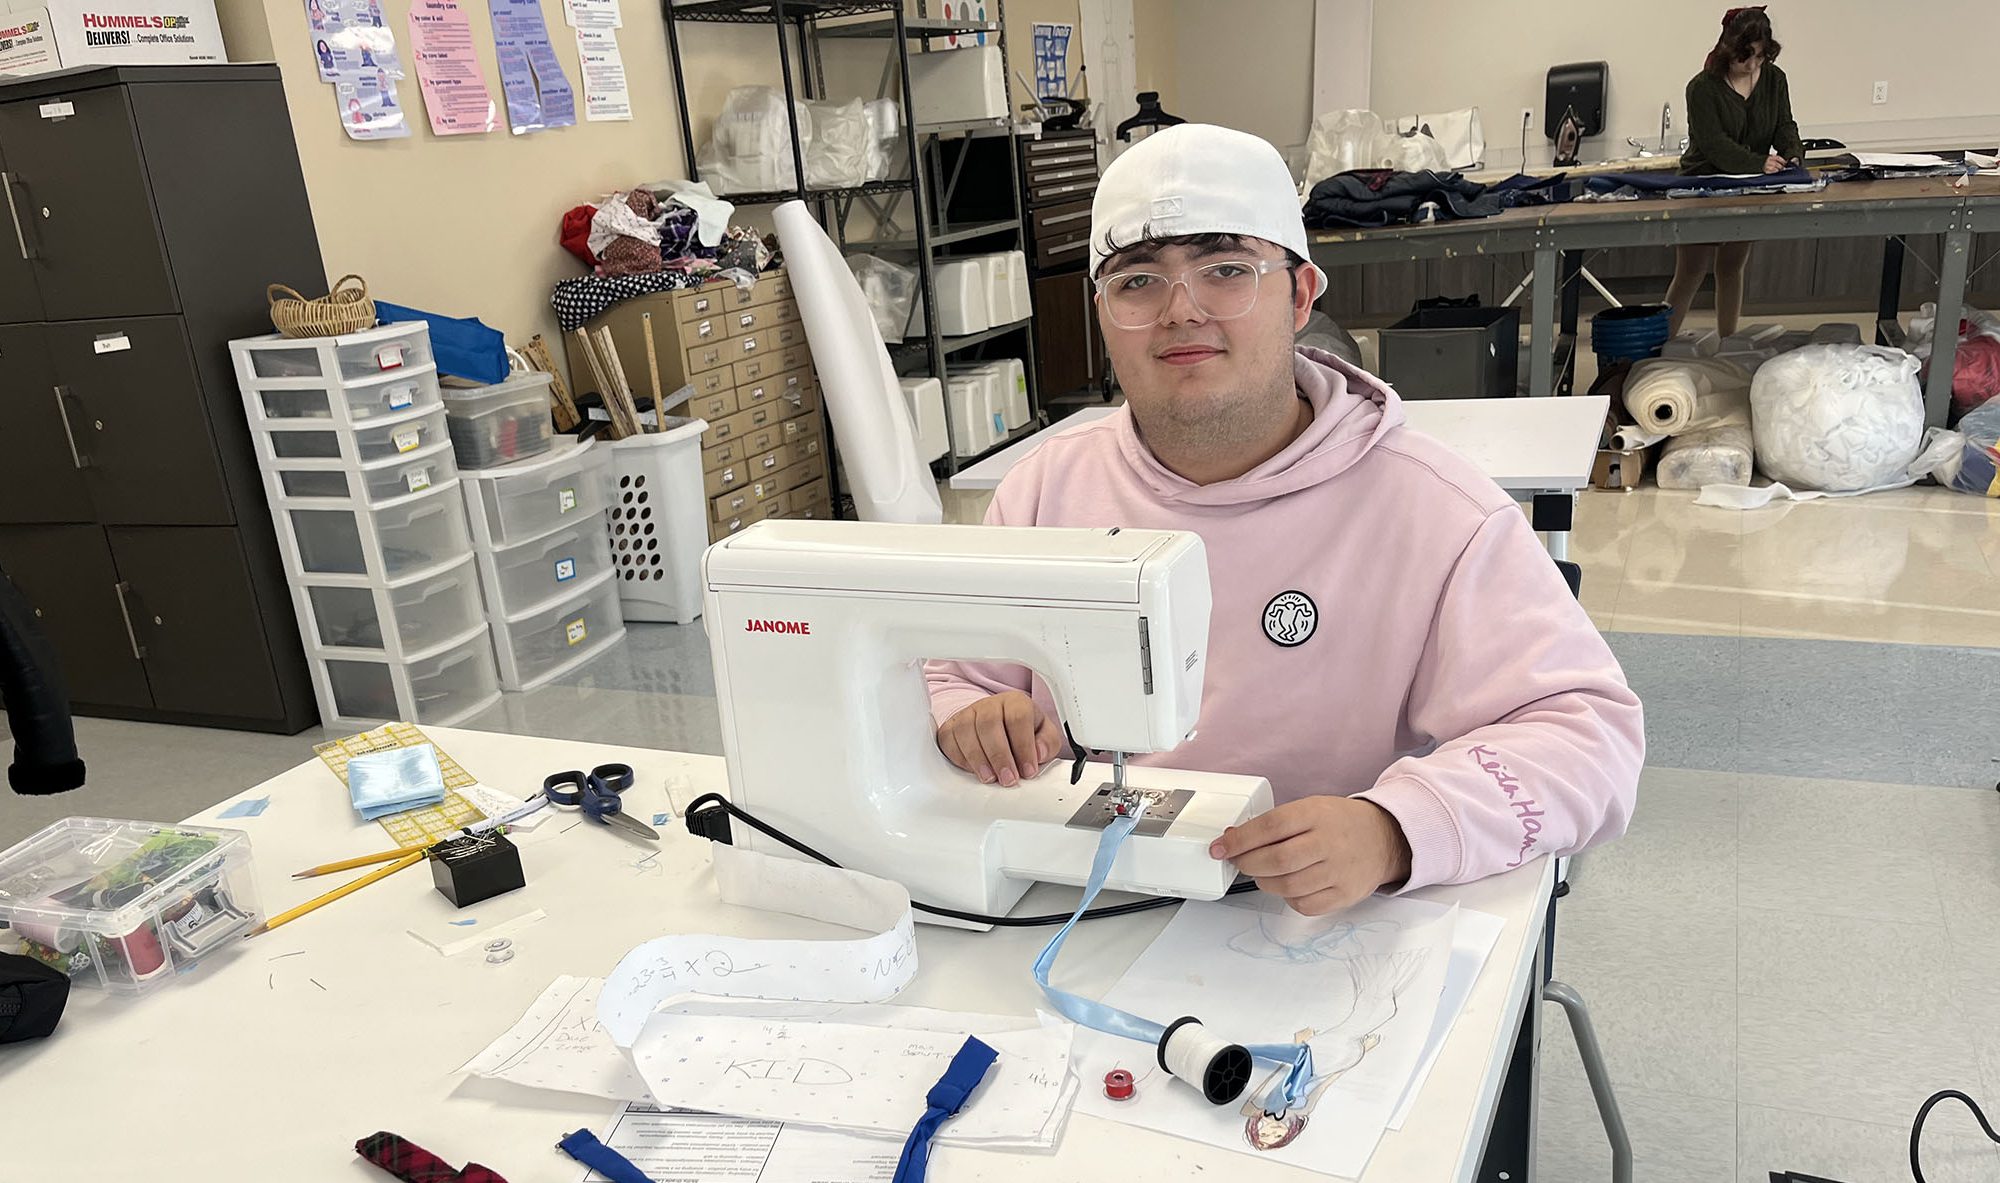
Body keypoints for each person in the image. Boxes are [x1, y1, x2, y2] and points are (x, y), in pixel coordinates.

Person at [924, 124, 1643, 917]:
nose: (1180, 312)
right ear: (1101, 312)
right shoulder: (1041, 497)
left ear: (1300, 296)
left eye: (1227, 270)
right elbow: (952, 674)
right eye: (1136, 282)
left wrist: (1394, 829)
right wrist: (970, 719)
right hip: (1082, 903)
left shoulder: (1436, 514)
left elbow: (1589, 739)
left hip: (1317, 933)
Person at [1665, 5, 1805, 336]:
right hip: (1704, 184)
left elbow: (1784, 125)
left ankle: (1729, 343)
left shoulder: (1774, 79)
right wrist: (1758, 162)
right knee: (1691, 272)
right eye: (1747, 57)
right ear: (1729, 49)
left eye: (1760, 56)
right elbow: (1714, 144)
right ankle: (1660, 347)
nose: (1754, 64)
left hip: (1749, 186)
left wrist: (1793, 154)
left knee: (1732, 267)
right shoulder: (1702, 88)